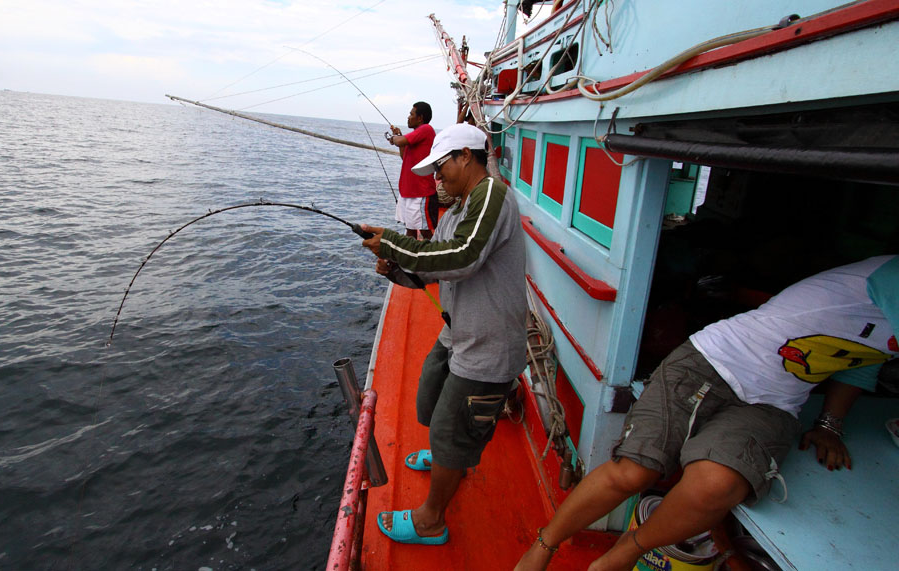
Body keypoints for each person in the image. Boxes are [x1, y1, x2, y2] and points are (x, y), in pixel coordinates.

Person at [515, 254, 898, 571]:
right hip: (713, 360)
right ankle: (545, 544)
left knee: (716, 486)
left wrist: (830, 423)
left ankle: (626, 550)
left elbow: (862, 361)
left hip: (774, 401)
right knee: (635, 469)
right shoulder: (892, 276)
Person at [360, 122, 528, 545]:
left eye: (442, 167)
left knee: (453, 428)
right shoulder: (456, 211)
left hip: (488, 346)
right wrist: (398, 269)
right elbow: (434, 271)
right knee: (431, 399)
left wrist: (394, 244)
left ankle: (431, 520)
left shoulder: (491, 194)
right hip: (459, 335)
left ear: (466, 157)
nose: (437, 178)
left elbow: (464, 256)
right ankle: (445, 456)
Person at [387, 101, 438, 239]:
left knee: (425, 231)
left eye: (411, 114)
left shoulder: (426, 129)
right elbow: (404, 156)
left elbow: (399, 141)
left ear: (420, 118)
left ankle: (433, 257)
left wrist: (395, 138)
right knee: (410, 230)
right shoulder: (415, 136)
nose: (408, 117)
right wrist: (398, 137)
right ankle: (410, 257)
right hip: (408, 192)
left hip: (421, 192)